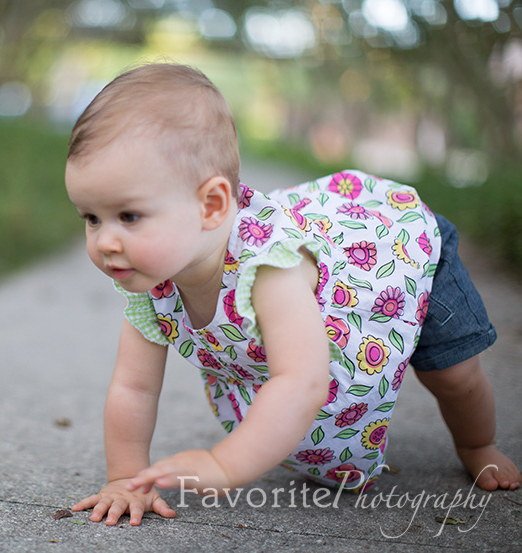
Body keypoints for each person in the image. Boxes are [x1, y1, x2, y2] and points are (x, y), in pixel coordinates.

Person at [65, 63, 520, 526]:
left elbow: (301, 381)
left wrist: (225, 465)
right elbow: (134, 386)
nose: (104, 242)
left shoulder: (269, 267)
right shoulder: (149, 286)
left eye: (129, 216)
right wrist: (125, 476)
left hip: (402, 256)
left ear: (212, 205)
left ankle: (476, 443)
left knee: (454, 375)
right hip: (335, 285)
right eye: (91, 218)